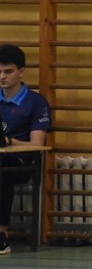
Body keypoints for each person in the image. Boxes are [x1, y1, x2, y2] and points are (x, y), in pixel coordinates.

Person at [0, 45, 51, 255]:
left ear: (21, 71)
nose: (2, 76)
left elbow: (37, 144)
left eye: (8, 71)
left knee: (1, 172)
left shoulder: (36, 103)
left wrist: (8, 141)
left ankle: (1, 235)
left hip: (22, 162)